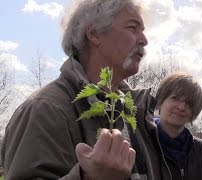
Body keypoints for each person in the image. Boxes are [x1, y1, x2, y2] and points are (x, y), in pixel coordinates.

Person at [0, 0, 164, 179]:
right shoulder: (44, 109)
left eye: (143, 30)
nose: (144, 40)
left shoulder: (134, 111)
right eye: (133, 27)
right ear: (94, 34)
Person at [152, 71, 202, 180]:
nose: (182, 107)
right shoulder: (142, 145)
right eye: (175, 98)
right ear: (160, 101)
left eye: (189, 103)